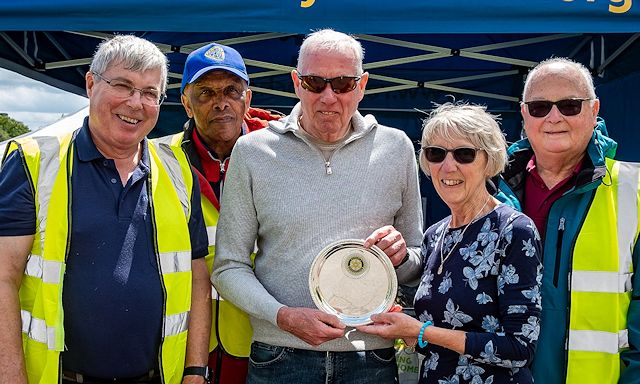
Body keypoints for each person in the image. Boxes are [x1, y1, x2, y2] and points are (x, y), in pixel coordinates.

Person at [211, 29, 423, 383]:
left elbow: (417, 262)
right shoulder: (252, 152)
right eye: (314, 83)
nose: (328, 97)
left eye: (341, 84)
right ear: (296, 83)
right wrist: (283, 317)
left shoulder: (396, 148)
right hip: (279, 355)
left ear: (362, 85)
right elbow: (227, 267)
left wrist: (400, 257)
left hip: (370, 358)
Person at [0, 35, 211, 384]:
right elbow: (3, 277)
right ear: (90, 83)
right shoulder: (33, 162)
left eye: (149, 93)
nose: (135, 103)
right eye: (123, 85)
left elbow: (196, 274)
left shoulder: (177, 169)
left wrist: (194, 371)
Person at [358, 102, 543, 384]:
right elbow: (438, 339)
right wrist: (407, 330)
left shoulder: (514, 230)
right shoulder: (435, 234)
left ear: (488, 162)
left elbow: (519, 349)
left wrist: (422, 331)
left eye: (464, 154)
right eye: (436, 153)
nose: (448, 166)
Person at [497, 57, 640, 383]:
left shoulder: (634, 189)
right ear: (523, 114)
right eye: (539, 107)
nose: (554, 117)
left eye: (570, 105)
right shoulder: (490, 189)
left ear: (594, 110)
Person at [155, 42, 282, 384]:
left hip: (263, 338)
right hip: (182, 340)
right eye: (206, 92)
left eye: (231, 90)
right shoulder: (157, 161)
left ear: (248, 99)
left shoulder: (281, 159)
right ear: (185, 102)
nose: (220, 102)